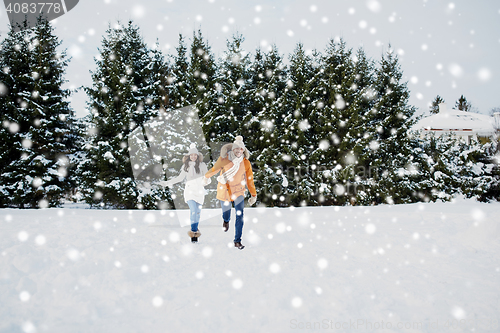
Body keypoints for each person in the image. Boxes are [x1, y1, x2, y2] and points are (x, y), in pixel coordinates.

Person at [203, 136, 257, 249]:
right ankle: (226, 220)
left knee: (240, 215)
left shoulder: (246, 163)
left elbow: (249, 179)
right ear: (232, 149)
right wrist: (206, 177)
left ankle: (237, 241)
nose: (238, 151)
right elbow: (215, 169)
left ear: (244, 150)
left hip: (239, 191)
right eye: (236, 148)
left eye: (241, 149)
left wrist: (253, 194)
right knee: (226, 212)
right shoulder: (224, 159)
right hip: (225, 190)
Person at [161, 143, 209, 243]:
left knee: (198, 214)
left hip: (199, 192)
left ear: (197, 156)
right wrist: (167, 183)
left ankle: (195, 228)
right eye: (191, 155)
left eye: (195, 155)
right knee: (193, 211)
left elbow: (208, 177)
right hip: (190, 191)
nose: (193, 157)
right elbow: (179, 178)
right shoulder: (185, 166)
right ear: (188, 156)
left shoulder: (202, 165)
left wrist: (206, 181)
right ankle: (194, 233)